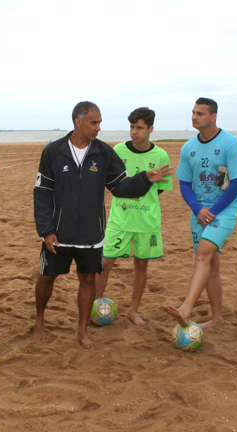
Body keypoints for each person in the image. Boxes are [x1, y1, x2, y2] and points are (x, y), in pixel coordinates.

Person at [33, 101, 171, 348]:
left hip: (92, 234)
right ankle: (40, 321)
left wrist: (144, 179)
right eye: (94, 122)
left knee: (87, 280)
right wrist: (46, 230)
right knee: (46, 278)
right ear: (79, 121)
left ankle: (82, 331)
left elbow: (120, 187)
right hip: (58, 234)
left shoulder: (104, 152)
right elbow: (42, 192)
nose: (98, 128)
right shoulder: (53, 151)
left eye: (99, 123)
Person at [163, 98, 237, 329]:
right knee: (210, 265)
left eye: (200, 113)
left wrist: (212, 211)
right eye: (193, 112)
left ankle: (185, 309)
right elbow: (184, 184)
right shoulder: (188, 147)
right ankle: (218, 318)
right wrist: (198, 209)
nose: (194, 117)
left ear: (213, 116)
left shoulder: (231, 143)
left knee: (202, 255)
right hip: (199, 212)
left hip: (223, 210)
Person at [94, 107, 172, 327]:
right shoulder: (118, 150)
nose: (134, 132)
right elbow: (112, 183)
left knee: (141, 266)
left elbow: (159, 190)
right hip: (120, 219)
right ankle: (95, 306)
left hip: (147, 222)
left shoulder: (160, 155)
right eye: (132, 127)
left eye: (139, 128)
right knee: (106, 262)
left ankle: (133, 311)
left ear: (150, 129)